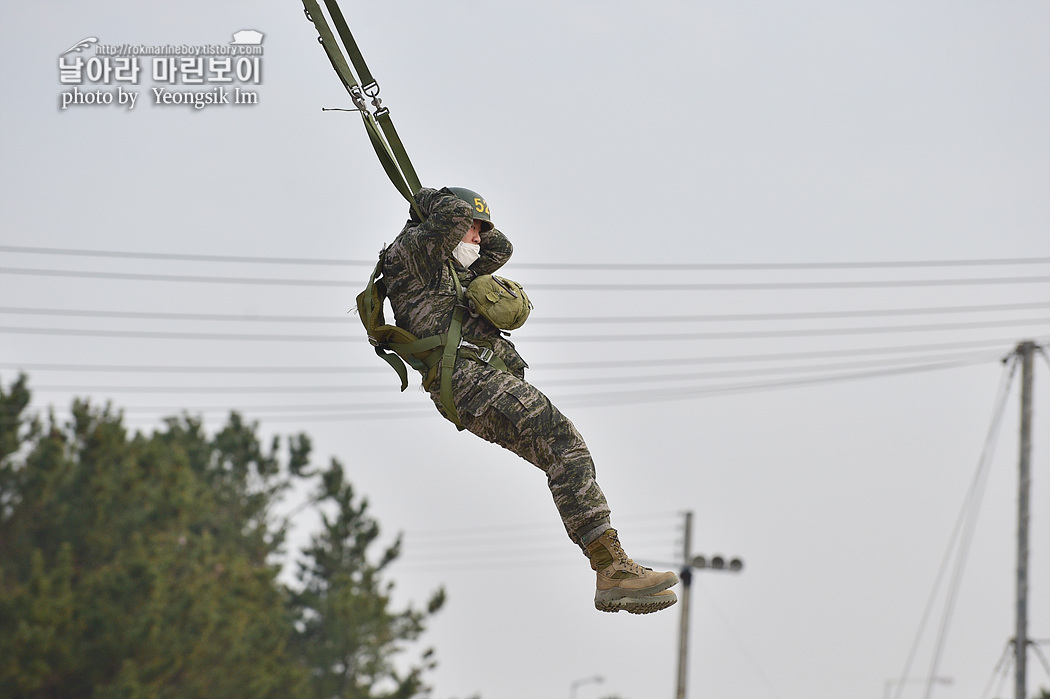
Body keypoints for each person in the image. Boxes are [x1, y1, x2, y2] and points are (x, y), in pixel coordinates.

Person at [382, 186, 679, 614]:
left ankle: (610, 570)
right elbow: (454, 213)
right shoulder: (414, 253)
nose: (480, 239)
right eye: (473, 231)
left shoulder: (447, 266)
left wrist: (469, 223)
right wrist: (430, 198)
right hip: (466, 379)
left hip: (477, 380)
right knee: (564, 444)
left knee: (564, 454)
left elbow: (501, 246)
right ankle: (611, 569)